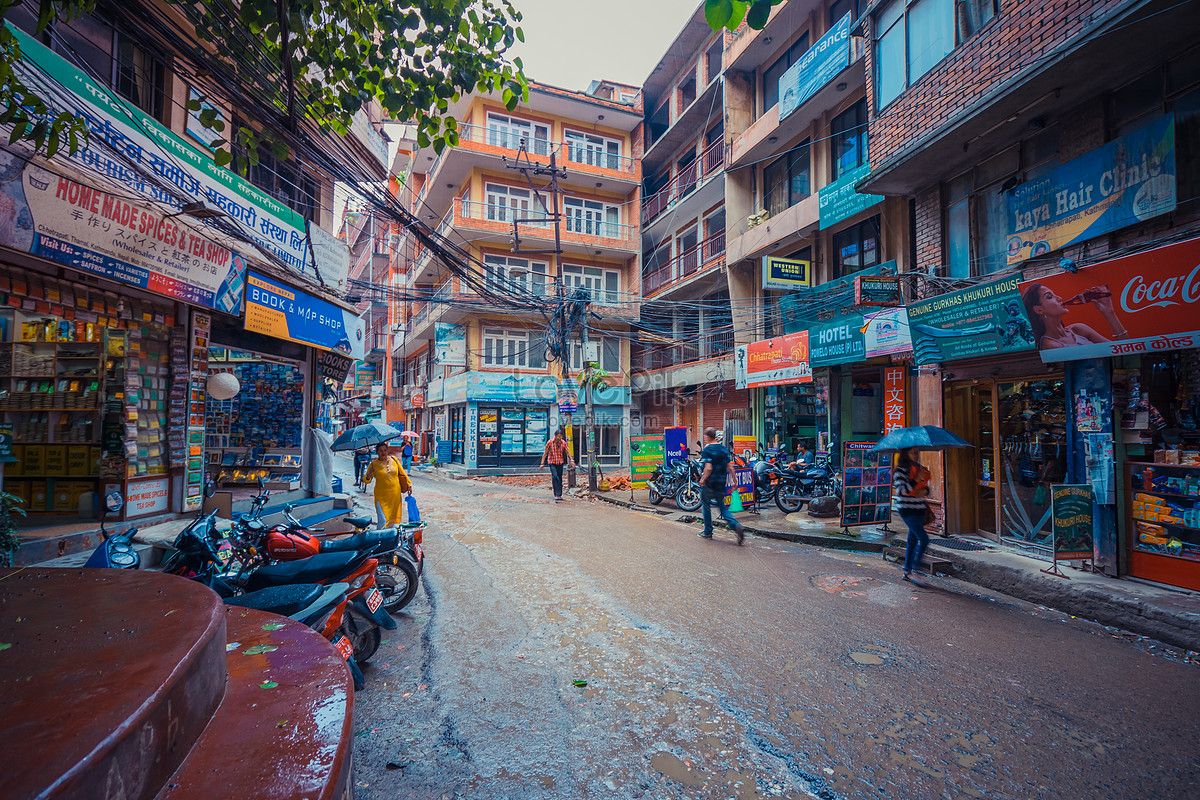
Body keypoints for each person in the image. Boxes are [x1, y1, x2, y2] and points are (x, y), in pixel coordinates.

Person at [1021, 283, 1127, 350]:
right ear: (1038, 309)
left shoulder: (1078, 329)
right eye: (1049, 297)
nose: (1059, 298)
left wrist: (1109, 312)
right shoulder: (1050, 345)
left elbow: (1124, 351)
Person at [699, 427, 745, 544]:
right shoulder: (724, 449)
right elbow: (730, 467)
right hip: (721, 483)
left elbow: (708, 468)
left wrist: (703, 479)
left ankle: (708, 531)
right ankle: (736, 525)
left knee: (706, 506)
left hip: (709, 483)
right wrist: (735, 481)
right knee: (723, 509)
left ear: (708, 437)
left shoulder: (707, 450)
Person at [893, 447, 931, 581]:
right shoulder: (900, 471)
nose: (916, 455)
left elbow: (926, 490)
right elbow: (902, 491)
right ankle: (916, 569)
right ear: (906, 454)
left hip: (920, 509)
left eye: (917, 453)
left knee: (913, 540)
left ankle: (907, 571)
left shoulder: (920, 469)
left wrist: (921, 491)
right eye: (913, 453)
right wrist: (915, 481)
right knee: (924, 539)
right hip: (907, 510)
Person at [362, 441, 412, 526]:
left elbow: (402, 473)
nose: (383, 452)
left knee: (392, 521)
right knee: (383, 520)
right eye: (381, 450)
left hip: (395, 495)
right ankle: (379, 538)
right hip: (381, 496)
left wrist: (409, 485)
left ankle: (390, 538)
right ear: (377, 452)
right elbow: (366, 481)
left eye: (385, 450)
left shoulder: (394, 460)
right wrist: (369, 474)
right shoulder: (374, 464)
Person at [540, 429, 575, 501]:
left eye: (560, 437)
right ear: (555, 436)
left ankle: (559, 494)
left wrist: (571, 460)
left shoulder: (563, 443)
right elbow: (545, 453)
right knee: (555, 476)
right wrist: (542, 463)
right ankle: (556, 493)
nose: (559, 438)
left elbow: (567, 452)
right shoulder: (550, 442)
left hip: (560, 462)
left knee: (559, 477)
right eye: (558, 437)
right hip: (552, 462)